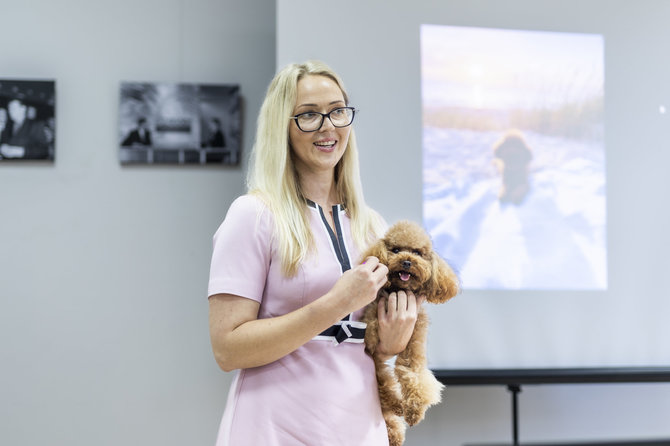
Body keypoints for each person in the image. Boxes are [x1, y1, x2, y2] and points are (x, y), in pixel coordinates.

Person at [207, 60, 423, 445]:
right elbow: (227, 349)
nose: (328, 127)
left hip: (359, 427)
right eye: (309, 115)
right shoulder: (254, 215)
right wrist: (335, 303)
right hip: (273, 428)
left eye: (338, 111)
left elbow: (374, 346)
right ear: (282, 128)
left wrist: (392, 341)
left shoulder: (371, 224)